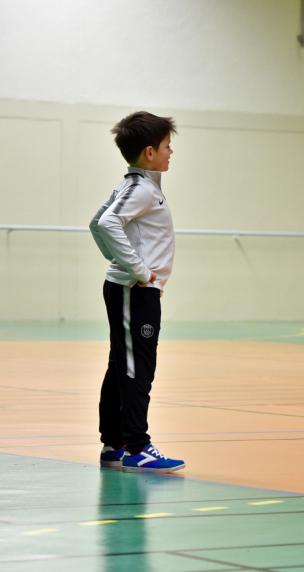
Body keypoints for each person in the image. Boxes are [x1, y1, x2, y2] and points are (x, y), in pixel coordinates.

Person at [89, 111, 185, 473]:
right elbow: (105, 223)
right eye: (165, 146)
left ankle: (114, 443)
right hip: (133, 290)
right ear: (149, 152)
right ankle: (137, 447)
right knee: (136, 368)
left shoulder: (140, 187)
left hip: (134, 289)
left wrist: (126, 265)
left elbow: (96, 222)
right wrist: (140, 271)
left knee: (122, 365)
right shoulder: (141, 189)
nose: (171, 151)